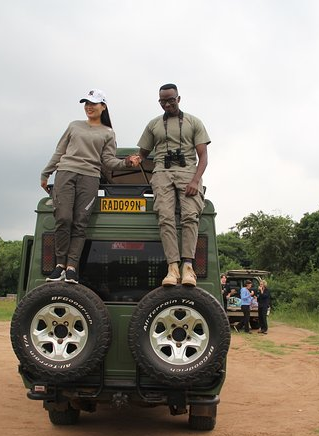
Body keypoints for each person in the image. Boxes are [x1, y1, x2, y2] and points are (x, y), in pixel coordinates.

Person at [41, 89, 137, 284]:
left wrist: (126, 163)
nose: (89, 106)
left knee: (80, 223)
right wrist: (46, 172)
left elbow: (108, 161)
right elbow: (59, 151)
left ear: (103, 107)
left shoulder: (108, 133)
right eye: (86, 103)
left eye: (93, 103)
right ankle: (60, 265)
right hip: (66, 172)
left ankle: (71, 268)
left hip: (90, 177)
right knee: (63, 218)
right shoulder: (74, 126)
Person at [128, 83, 211, 287]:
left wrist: (195, 180)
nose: (167, 104)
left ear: (178, 99)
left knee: (190, 216)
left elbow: (203, 156)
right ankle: (172, 267)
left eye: (171, 100)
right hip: (162, 172)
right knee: (165, 218)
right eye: (163, 101)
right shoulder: (154, 124)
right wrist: (134, 159)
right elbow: (143, 153)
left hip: (188, 172)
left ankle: (188, 267)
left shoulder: (194, 122)